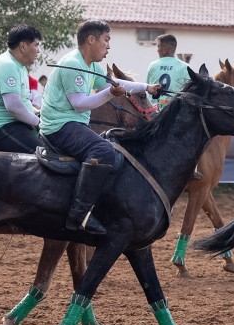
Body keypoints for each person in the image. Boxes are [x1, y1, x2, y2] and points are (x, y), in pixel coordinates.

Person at [41, 19, 160, 233]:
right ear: (91, 39)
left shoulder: (91, 65)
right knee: (103, 150)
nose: (109, 46)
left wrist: (147, 87)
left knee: (112, 149)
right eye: (106, 40)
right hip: (59, 127)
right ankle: (78, 215)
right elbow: (79, 105)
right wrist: (108, 93)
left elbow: (117, 85)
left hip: (72, 124)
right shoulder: (73, 64)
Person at [0, 23, 42, 152]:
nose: (38, 50)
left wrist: (40, 114)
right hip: (0, 127)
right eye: (36, 45)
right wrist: (38, 122)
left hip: (14, 124)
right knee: (46, 155)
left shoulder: (20, 67)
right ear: (23, 46)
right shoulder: (7, 65)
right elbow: (14, 107)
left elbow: (23, 101)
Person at [146, 33, 189, 110]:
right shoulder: (185, 67)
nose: (157, 50)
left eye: (158, 47)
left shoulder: (153, 65)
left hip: (154, 112)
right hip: (174, 112)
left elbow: (147, 88)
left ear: (165, 50)